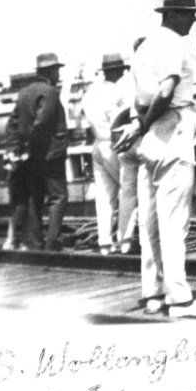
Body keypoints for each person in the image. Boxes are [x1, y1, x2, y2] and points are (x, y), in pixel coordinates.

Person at [113, 0, 196, 318]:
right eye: (189, 13)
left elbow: (140, 97)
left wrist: (139, 125)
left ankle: (153, 294)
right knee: (174, 221)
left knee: (149, 222)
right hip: (172, 130)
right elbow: (166, 90)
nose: (193, 19)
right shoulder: (173, 45)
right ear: (172, 14)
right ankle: (181, 300)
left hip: (150, 142)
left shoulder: (144, 48)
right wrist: (145, 125)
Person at [3, 52, 70, 251]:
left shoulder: (24, 92)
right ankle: (52, 242)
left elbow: (12, 123)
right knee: (58, 196)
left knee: (35, 197)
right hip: (50, 154)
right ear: (48, 71)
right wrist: (34, 145)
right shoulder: (49, 91)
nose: (58, 74)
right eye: (56, 69)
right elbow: (42, 123)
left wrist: (18, 148)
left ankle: (36, 241)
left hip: (31, 156)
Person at [80, 53, 139, 255]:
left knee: (104, 196)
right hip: (116, 144)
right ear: (119, 70)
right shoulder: (121, 90)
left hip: (97, 145)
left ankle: (104, 242)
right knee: (128, 191)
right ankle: (125, 240)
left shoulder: (90, 92)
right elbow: (124, 118)